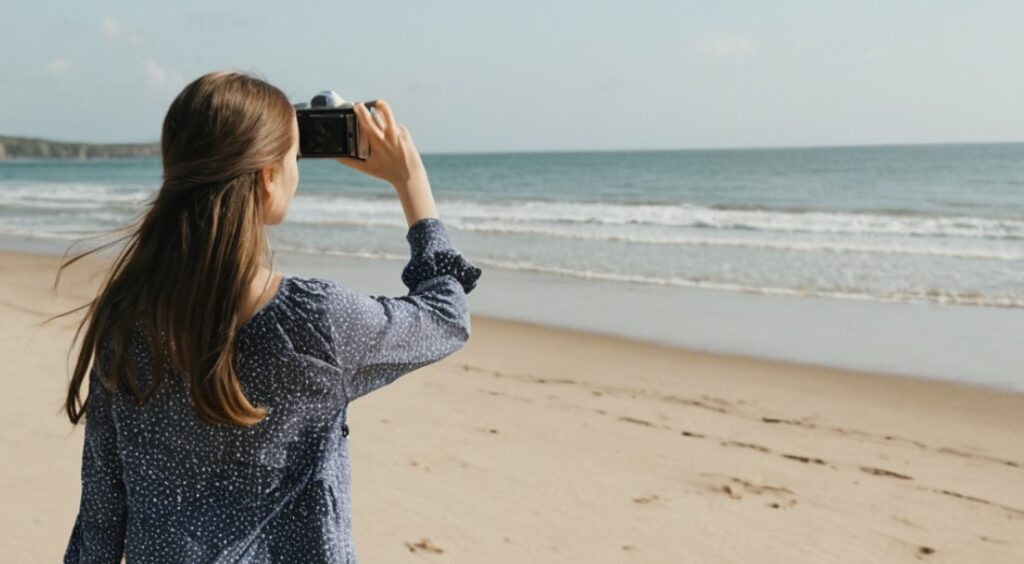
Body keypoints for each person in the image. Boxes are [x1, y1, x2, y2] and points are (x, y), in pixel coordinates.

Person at [54, 70, 482, 563]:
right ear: (267, 178)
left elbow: (100, 522)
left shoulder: (125, 323)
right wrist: (411, 183)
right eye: (293, 156)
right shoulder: (315, 323)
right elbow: (446, 317)